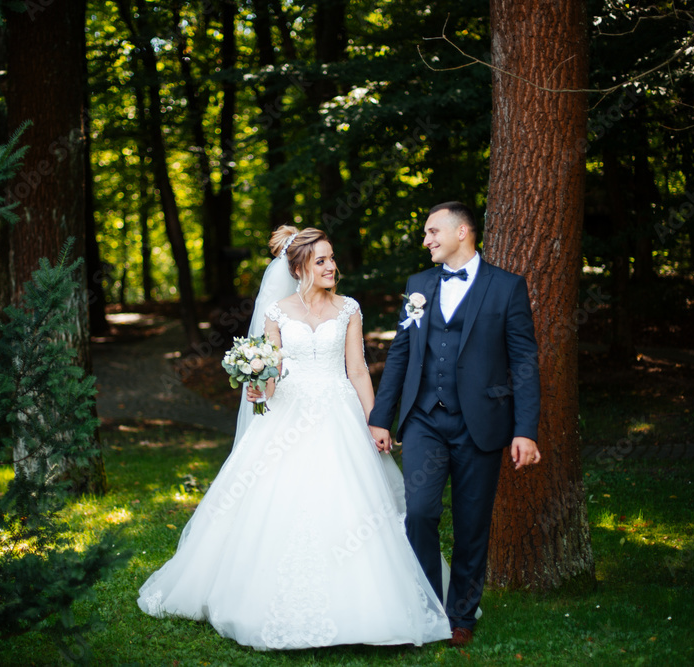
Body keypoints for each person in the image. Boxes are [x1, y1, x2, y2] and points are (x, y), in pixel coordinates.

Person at [137, 226, 452, 650]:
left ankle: (369, 605)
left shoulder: (348, 309)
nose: (332, 266)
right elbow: (272, 373)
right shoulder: (277, 312)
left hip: (339, 412)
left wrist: (376, 420)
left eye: (332, 258)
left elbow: (357, 370)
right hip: (287, 414)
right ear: (300, 266)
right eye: (321, 260)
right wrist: (257, 386)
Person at [368, 201, 542, 648]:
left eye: (432, 232)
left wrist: (525, 430)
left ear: (462, 231)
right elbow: (401, 355)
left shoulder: (507, 287)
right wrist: (380, 419)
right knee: (420, 512)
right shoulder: (419, 285)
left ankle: (460, 615)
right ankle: (427, 604)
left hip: (480, 424)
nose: (426, 241)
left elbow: (523, 360)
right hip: (425, 419)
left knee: (472, 523)